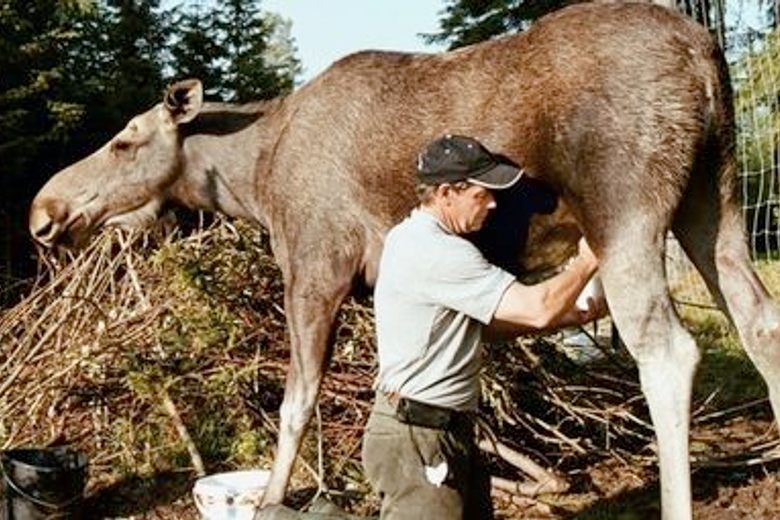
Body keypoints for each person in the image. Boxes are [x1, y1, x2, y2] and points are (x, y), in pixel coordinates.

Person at [361, 134, 606, 520]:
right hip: (418, 437)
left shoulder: (413, 238)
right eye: (481, 194)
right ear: (446, 193)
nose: (493, 203)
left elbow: (484, 327)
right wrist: (589, 259)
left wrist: (565, 316)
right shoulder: (438, 252)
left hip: (444, 431)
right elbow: (538, 308)